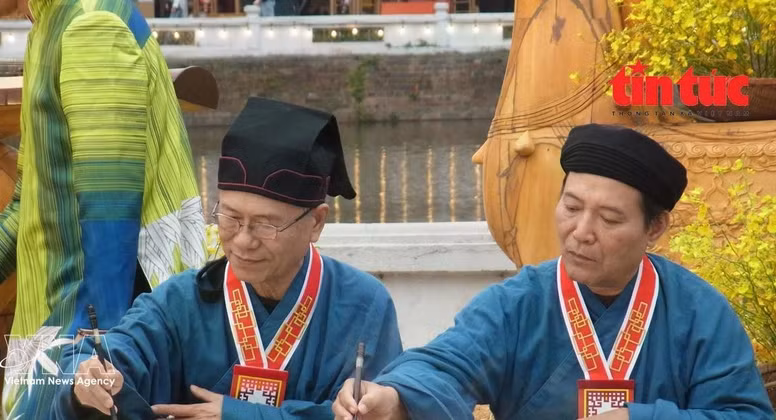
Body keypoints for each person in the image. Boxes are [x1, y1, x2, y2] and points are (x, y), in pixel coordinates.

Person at [332, 123, 775, 420]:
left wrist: (643, 416)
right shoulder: (519, 303)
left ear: (655, 227)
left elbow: (747, 415)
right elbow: (447, 364)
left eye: (610, 219)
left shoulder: (699, 313)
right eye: (572, 207)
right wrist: (393, 396)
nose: (581, 232)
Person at [50, 97, 404, 419]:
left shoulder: (364, 306)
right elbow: (120, 351)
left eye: (265, 225)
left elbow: (375, 412)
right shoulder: (183, 300)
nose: (243, 241)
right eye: (230, 218)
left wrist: (239, 415)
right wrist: (86, 375)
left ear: (316, 223)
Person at [0, 0, 206, 416]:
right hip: (63, 311)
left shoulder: (91, 26)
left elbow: (111, 226)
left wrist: (95, 357)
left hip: (99, 321)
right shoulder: (51, 23)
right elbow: (29, 205)